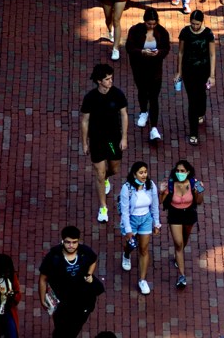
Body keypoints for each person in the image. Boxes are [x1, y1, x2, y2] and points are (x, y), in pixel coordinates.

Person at [38, 226, 101, 338]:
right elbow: (43, 279)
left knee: (73, 331)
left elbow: (94, 259)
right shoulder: (54, 257)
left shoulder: (85, 252)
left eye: (74, 242)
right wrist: (42, 299)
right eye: (67, 242)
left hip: (83, 302)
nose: (71, 245)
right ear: (62, 241)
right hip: (62, 304)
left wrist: (90, 274)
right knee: (61, 333)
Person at [80, 63, 128, 224]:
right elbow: (85, 121)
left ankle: (107, 178)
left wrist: (124, 137)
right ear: (99, 81)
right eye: (107, 79)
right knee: (98, 174)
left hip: (113, 139)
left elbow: (124, 115)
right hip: (97, 141)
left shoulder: (118, 95)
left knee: (114, 169)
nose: (110, 81)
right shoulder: (90, 98)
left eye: (111, 78)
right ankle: (103, 207)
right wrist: (85, 142)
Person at [126, 8, 171, 142]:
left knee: (154, 96)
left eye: (154, 24)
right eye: (149, 23)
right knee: (142, 90)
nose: (151, 26)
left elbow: (166, 48)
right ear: (144, 21)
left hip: (155, 68)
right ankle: (143, 111)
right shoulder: (135, 30)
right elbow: (129, 48)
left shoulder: (162, 32)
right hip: (139, 67)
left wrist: (158, 53)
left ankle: (154, 126)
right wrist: (141, 52)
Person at [118, 161, 162, 295]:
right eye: (141, 172)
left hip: (146, 219)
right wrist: (128, 230)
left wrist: (156, 223)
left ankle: (142, 280)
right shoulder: (127, 188)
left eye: (145, 172)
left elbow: (155, 205)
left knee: (144, 249)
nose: (144, 175)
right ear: (134, 174)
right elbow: (125, 211)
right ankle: (126, 254)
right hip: (131, 220)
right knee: (130, 244)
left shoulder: (151, 185)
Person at [160, 159, 205, 289]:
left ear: (188, 172)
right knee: (178, 244)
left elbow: (199, 201)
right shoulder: (170, 184)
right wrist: (162, 192)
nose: (180, 173)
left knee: (184, 239)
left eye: (182, 171)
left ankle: (177, 257)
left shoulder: (195, 184)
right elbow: (160, 201)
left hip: (189, 214)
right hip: (174, 214)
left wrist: (199, 193)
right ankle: (182, 275)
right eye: (178, 171)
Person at [176, 10, 216, 146]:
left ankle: (201, 112)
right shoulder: (185, 32)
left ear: (202, 22)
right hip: (188, 71)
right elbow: (180, 52)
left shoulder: (208, 34)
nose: (194, 26)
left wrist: (212, 75)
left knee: (201, 96)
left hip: (203, 71)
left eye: (197, 24)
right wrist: (179, 72)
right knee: (192, 100)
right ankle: (193, 132)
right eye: (192, 24)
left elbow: (212, 55)